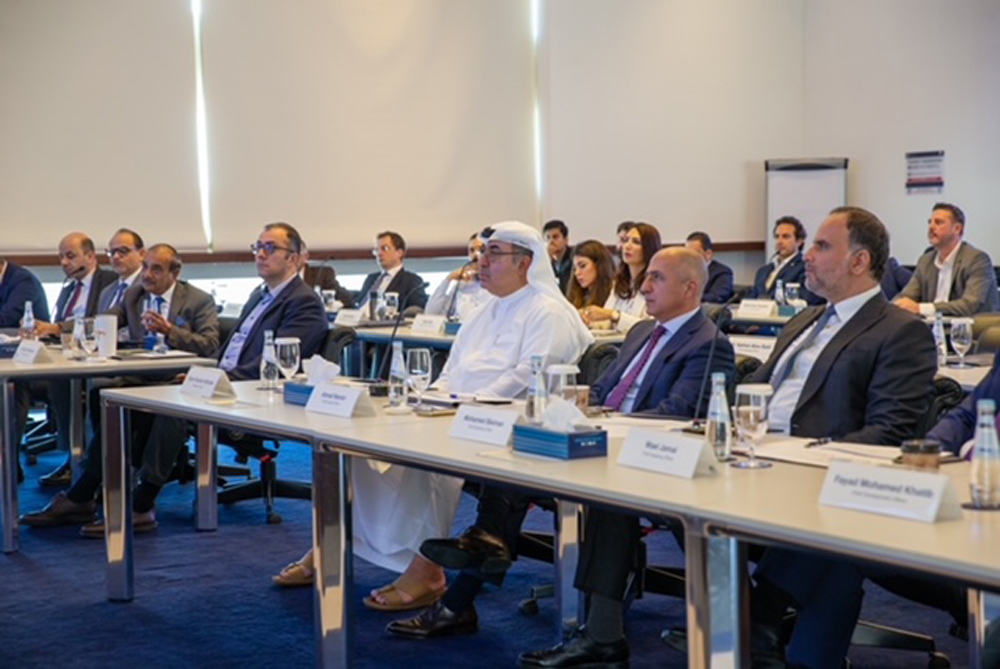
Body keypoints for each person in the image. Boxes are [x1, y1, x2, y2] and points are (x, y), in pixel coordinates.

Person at [274, 223, 593, 611]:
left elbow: (531, 377)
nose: (481, 261)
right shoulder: (486, 308)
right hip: (455, 408)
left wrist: (461, 405)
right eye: (482, 252)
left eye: (494, 253)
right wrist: (433, 399)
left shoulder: (549, 311)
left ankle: (426, 570)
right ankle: (333, 543)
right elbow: (451, 368)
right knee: (358, 445)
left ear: (525, 262)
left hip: (502, 422)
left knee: (429, 456)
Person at [21, 223, 327, 534]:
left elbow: (274, 366)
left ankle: (141, 505)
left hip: (252, 392)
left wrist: (207, 376)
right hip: (223, 380)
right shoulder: (259, 295)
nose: (260, 254)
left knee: (170, 405)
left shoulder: (303, 301)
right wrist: (204, 374)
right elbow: (225, 352)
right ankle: (85, 494)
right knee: (125, 399)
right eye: (257, 247)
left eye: (270, 248)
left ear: (293, 258)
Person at [517, 247, 736, 666]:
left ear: (690, 288)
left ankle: (601, 634)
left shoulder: (709, 344)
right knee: (524, 455)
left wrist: (605, 423)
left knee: (608, 498)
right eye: (646, 276)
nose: (644, 286)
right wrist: (581, 406)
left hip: (655, 460)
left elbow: (677, 414)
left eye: (657, 278)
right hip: (607, 444)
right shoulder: (641, 332)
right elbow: (604, 389)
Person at [740, 206, 938, 669]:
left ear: (859, 261)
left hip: (819, 474)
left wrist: (805, 456)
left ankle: (761, 621)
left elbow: (890, 432)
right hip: (757, 461)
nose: (806, 255)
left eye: (822, 246)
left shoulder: (900, 331)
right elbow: (752, 395)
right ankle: (763, 628)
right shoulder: (803, 321)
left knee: (829, 527)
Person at [39, 229, 146, 487]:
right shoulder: (110, 289)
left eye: (123, 251)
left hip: (132, 360)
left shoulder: (142, 286)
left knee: (86, 385)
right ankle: (83, 461)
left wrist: (59, 329)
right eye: (112, 252)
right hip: (98, 353)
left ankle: (91, 467)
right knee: (60, 379)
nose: (116, 257)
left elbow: (110, 326)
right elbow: (100, 324)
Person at [894, 202, 999, 316]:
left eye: (938, 222)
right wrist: (893, 307)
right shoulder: (926, 261)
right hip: (932, 324)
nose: (931, 227)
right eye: (930, 222)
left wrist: (921, 308)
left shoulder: (977, 260)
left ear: (957, 228)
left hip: (970, 325)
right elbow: (907, 296)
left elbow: (969, 305)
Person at [578, 222, 660, 333]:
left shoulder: (656, 284)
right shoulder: (620, 282)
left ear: (649, 248)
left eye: (636, 242)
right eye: (625, 240)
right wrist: (588, 318)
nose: (627, 246)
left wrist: (615, 315)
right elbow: (606, 320)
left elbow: (651, 327)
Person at [34, 232, 117, 337]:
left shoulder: (109, 281)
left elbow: (99, 321)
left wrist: (58, 328)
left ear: (90, 256)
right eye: (61, 257)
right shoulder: (68, 290)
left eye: (70, 256)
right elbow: (57, 323)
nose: (64, 262)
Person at [748, 216, 822, 305]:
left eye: (785, 237)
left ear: (799, 241)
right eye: (777, 237)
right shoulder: (763, 271)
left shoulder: (805, 267)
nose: (779, 241)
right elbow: (750, 300)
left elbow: (805, 298)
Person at [356, 231, 428, 313]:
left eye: (385, 249)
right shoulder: (371, 278)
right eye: (377, 250)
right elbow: (358, 303)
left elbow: (416, 309)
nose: (379, 253)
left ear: (399, 253)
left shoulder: (411, 280)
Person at [425, 233, 488, 321]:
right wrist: (448, 280)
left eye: (481, 250)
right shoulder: (461, 285)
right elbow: (431, 314)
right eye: (472, 250)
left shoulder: (496, 284)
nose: (475, 255)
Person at [298, 240, 354, 308]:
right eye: (287, 255)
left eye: (295, 255)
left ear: (305, 256)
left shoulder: (322, 274)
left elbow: (346, 298)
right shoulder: (285, 277)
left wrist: (333, 304)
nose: (290, 259)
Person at [565, 240, 615, 310]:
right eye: (575, 269)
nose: (577, 273)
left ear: (599, 265)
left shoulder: (614, 294)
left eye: (582, 266)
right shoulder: (576, 296)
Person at [685, 231, 734, 303]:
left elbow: (717, 296)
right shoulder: (683, 271)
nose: (689, 257)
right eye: (687, 253)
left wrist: (688, 298)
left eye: (694, 253)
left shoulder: (722, 272)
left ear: (708, 254)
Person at [543, 219, 573, 294]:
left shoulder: (573, 257)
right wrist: (548, 259)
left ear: (566, 240)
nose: (551, 241)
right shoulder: (548, 260)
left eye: (555, 237)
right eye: (548, 238)